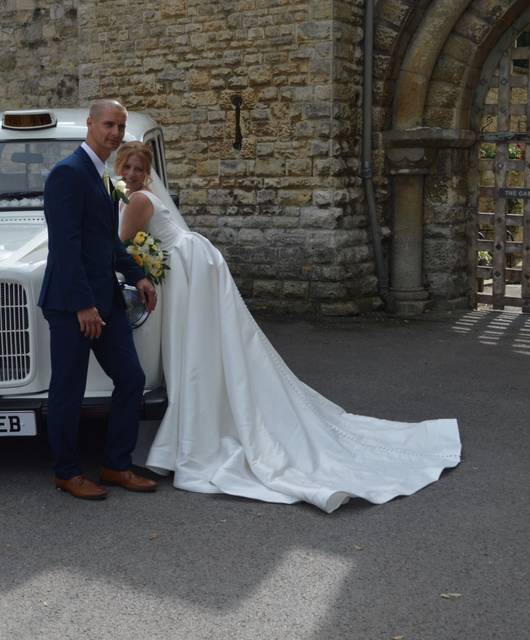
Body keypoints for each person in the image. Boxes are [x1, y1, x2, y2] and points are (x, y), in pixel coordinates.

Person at [114, 141, 462, 513]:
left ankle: (195, 430)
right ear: (120, 167)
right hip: (190, 261)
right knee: (205, 342)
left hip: (187, 267)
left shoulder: (137, 200)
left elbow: (119, 244)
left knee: (197, 344)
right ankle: (194, 420)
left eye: (138, 168)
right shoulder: (140, 195)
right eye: (128, 168)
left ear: (145, 172)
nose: (133, 174)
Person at [38, 101, 159, 500]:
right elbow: (66, 247)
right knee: (67, 390)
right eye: (108, 124)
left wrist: (138, 274)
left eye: (120, 126)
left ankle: (115, 464)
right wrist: (82, 305)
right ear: (90, 124)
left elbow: (106, 241)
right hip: (72, 304)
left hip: (106, 299)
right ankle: (67, 472)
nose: (115, 132)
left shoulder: (105, 175)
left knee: (131, 379)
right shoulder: (67, 175)